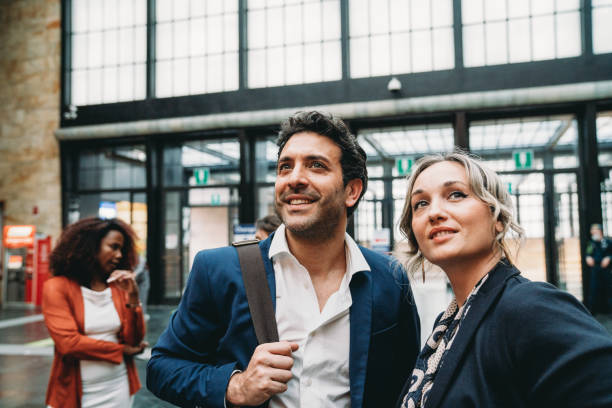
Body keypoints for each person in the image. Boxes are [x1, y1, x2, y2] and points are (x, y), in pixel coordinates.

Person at [147, 111, 420, 408]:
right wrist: (234, 385)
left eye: (316, 165)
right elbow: (163, 366)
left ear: (351, 191)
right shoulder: (219, 270)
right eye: (284, 167)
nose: (294, 179)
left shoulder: (389, 277)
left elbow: (405, 381)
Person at [396, 152, 612, 408]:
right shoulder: (447, 324)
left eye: (456, 194)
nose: (434, 212)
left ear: (497, 219)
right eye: (420, 203)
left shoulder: (532, 307)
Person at [42, 217, 147, 408]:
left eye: (122, 249)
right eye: (113, 247)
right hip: (75, 393)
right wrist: (121, 350)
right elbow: (69, 344)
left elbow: (134, 339)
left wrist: (132, 298)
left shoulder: (117, 287)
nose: (118, 255)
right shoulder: (56, 287)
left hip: (118, 388)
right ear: (89, 247)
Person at [585, 223, 612, 315]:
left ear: (600, 231)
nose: (593, 232)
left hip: (606, 270)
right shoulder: (591, 243)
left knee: (609, 289)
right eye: (592, 230)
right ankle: (592, 311)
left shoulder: (608, 242)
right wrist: (588, 257)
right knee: (593, 290)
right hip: (595, 269)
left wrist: (609, 258)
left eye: (595, 230)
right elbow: (588, 253)